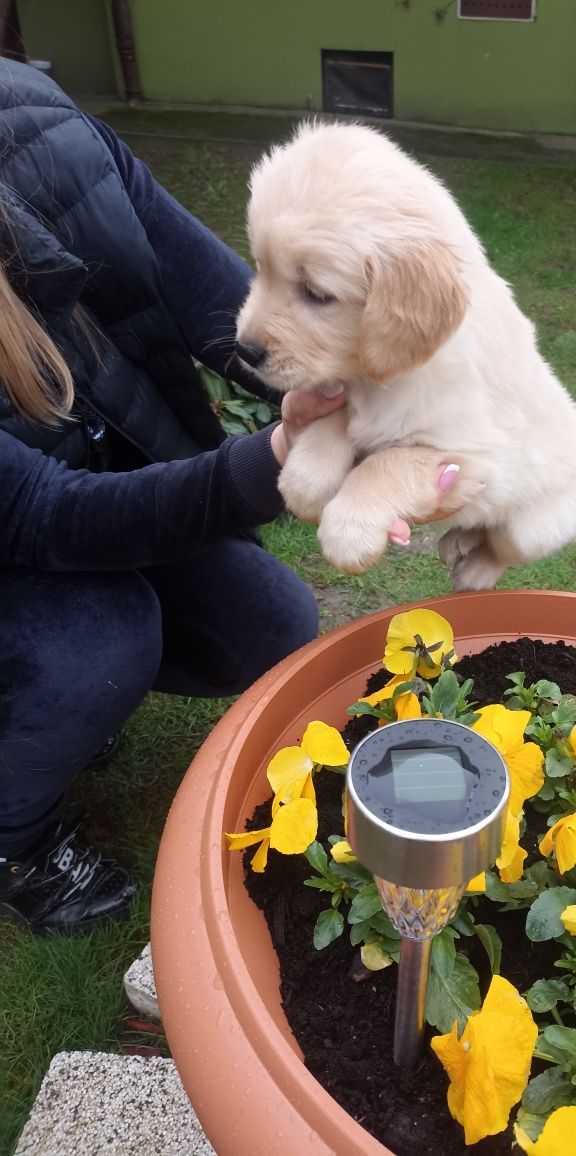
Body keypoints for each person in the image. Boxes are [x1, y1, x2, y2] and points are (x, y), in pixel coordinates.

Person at [0, 60, 457, 934]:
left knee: (271, 623)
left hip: (100, 471)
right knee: (101, 642)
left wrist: (361, 390)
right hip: (19, 530)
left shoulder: (29, 110)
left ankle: (63, 707)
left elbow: (205, 290)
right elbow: (42, 513)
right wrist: (282, 455)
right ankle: (14, 835)